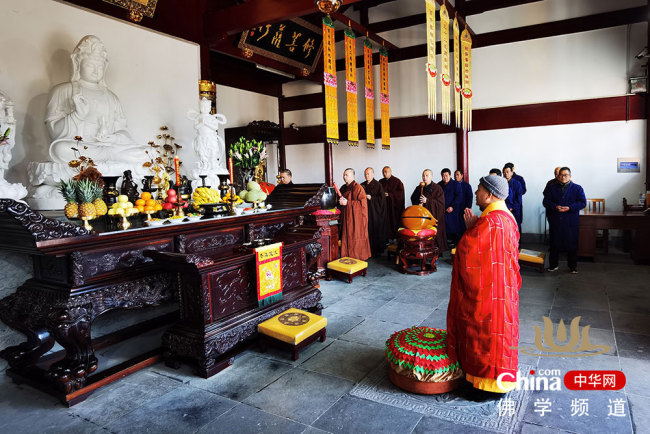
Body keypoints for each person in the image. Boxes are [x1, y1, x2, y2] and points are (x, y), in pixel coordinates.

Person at [446, 175, 521, 398]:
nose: (476, 194)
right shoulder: (505, 217)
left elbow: (469, 253)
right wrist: (473, 227)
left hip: (489, 296)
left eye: (479, 190)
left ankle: (485, 386)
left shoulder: (491, 222)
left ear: (489, 195)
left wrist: (469, 231)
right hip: (502, 292)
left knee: (484, 336)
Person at [45, 35, 147, 164]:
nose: (95, 71)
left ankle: (107, 158)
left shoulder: (112, 97)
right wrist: (77, 115)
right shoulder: (63, 91)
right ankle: (107, 161)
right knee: (59, 149)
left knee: (149, 153)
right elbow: (54, 132)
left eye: (100, 67)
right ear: (77, 64)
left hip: (109, 148)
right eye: (90, 65)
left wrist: (114, 138)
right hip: (82, 149)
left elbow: (123, 131)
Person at [543, 167, 586, 273]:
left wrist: (570, 207)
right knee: (554, 244)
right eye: (561, 175)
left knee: (572, 244)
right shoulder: (551, 188)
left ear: (570, 176)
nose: (563, 177)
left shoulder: (577, 188)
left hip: (571, 221)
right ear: (558, 176)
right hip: (556, 220)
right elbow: (546, 202)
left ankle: (572, 267)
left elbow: (582, 202)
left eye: (566, 175)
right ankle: (553, 265)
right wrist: (555, 206)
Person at [410, 169, 448, 252]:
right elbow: (413, 198)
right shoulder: (419, 188)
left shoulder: (437, 188)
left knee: (434, 236)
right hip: (422, 217)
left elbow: (440, 204)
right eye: (423, 175)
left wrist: (427, 201)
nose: (424, 177)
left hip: (433, 216)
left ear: (431, 176)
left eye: (427, 175)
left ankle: (435, 252)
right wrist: (418, 204)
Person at [338, 168, 371, 261]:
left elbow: (362, 205)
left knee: (356, 238)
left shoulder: (358, 188)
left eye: (346, 175)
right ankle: (346, 259)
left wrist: (347, 203)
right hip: (346, 218)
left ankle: (357, 260)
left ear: (353, 176)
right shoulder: (344, 187)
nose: (344, 177)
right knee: (346, 238)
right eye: (344, 175)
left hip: (356, 220)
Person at [188, 97, 227, 173]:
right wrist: (201, 123)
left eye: (207, 107)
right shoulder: (198, 117)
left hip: (210, 138)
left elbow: (215, 127)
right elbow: (195, 127)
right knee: (202, 152)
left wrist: (206, 123)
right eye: (202, 107)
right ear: (199, 107)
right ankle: (205, 165)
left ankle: (213, 165)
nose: (205, 108)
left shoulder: (212, 117)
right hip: (201, 138)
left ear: (210, 108)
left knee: (212, 152)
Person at [361, 168, 390, 257]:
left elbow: (382, 200)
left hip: (375, 213)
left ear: (373, 174)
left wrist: (372, 198)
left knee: (374, 230)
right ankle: (365, 250)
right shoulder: (362, 185)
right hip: (365, 212)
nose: (367, 176)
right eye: (365, 174)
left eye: (368, 174)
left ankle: (375, 251)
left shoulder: (378, 185)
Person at [437, 168, 464, 246]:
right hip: (442, 210)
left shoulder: (456, 184)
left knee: (454, 228)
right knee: (443, 228)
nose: (445, 177)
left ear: (450, 175)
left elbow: (459, 197)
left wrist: (452, 206)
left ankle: (455, 245)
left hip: (453, 209)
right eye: (443, 176)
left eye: (446, 175)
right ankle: (445, 244)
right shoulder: (439, 185)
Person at [379, 166, 405, 236]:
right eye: (383, 172)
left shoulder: (397, 181)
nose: (384, 173)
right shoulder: (380, 182)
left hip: (393, 207)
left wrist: (390, 195)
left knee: (394, 222)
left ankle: (395, 237)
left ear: (390, 172)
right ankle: (386, 238)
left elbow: (400, 194)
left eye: (386, 171)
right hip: (384, 207)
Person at [503, 165, 524, 235]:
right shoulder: (502, 183)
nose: (506, 173)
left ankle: (518, 245)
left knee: (515, 228)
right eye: (504, 172)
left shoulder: (517, 183)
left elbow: (519, 198)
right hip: (504, 210)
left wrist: (512, 208)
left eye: (507, 172)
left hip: (514, 210)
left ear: (512, 173)